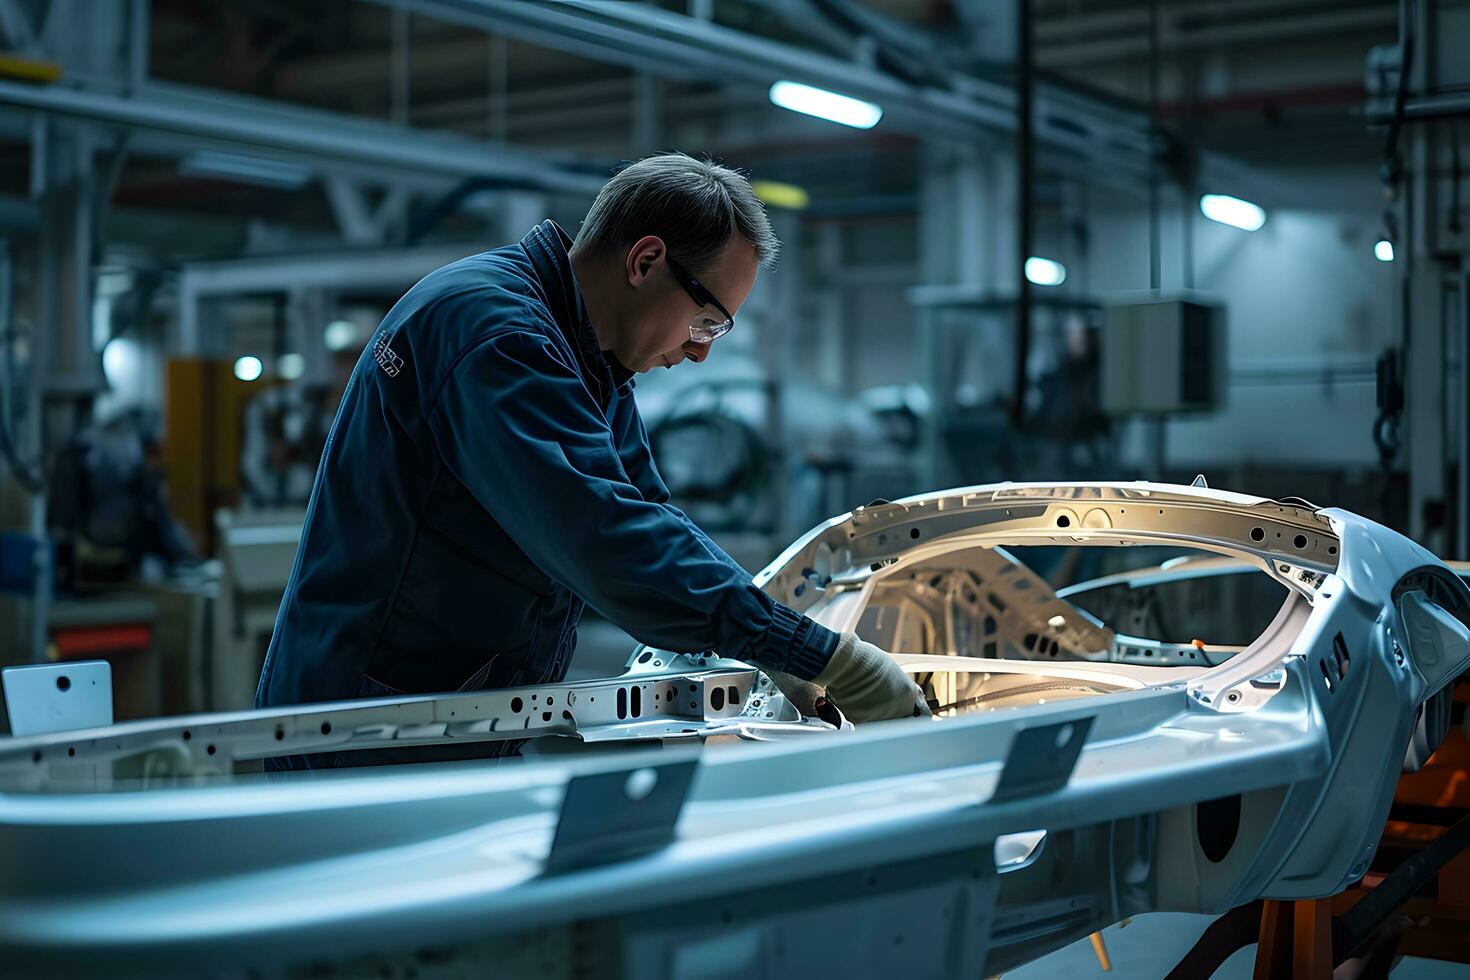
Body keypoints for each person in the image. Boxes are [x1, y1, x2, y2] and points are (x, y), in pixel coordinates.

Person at [255, 152, 927, 770]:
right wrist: (825, 655)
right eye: (708, 321)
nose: (702, 353)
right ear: (646, 261)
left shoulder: (587, 356)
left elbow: (647, 510)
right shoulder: (498, 335)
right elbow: (606, 538)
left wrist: (770, 646)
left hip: (441, 715)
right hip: (366, 731)